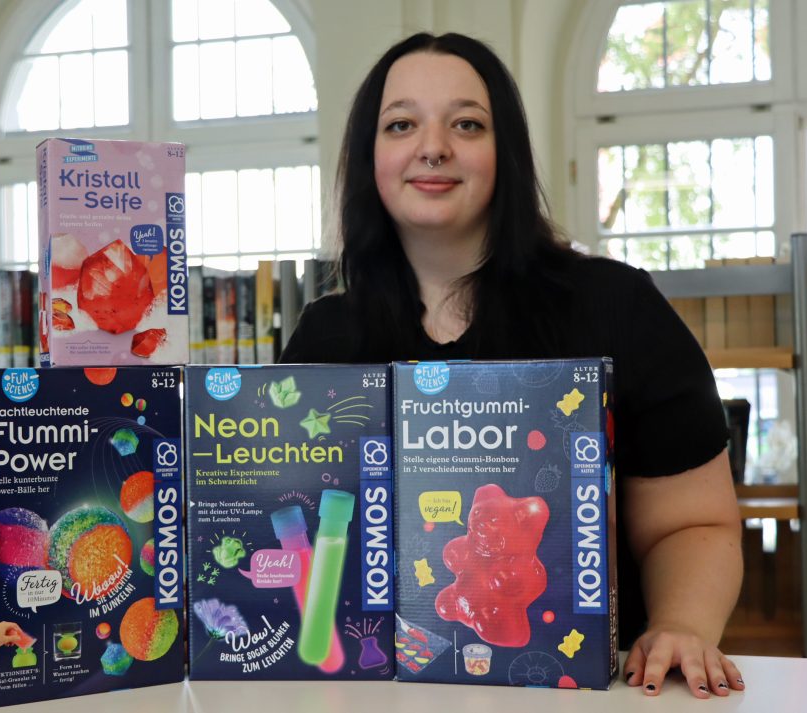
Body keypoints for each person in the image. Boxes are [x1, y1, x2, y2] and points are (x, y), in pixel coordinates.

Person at [279, 32, 743, 699]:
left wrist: (681, 624)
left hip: (589, 689)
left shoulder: (616, 307)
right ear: (369, 157)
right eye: (401, 124)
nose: (432, 145)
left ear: (508, 154)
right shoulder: (324, 338)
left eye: (467, 123)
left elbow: (692, 523)